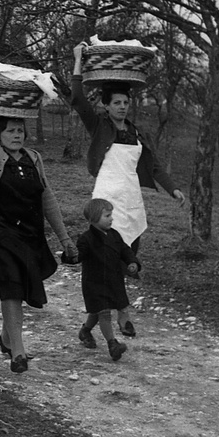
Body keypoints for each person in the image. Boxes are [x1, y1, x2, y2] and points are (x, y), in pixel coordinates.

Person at [0, 69, 76, 373]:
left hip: (30, 234)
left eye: (20, 129)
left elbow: (47, 199)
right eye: (10, 129)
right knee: (10, 283)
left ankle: (8, 338)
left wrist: (65, 239)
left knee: (20, 287)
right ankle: (18, 353)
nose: (16, 134)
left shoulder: (34, 158)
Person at [70, 42, 185, 337]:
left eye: (125, 102)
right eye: (116, 102)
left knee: (125, 258)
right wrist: (78, 62)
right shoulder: (99, 127)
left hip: (131, 200)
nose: (122, 106)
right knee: (107, 259)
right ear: (106, 106)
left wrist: (172, 190)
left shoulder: (136, 132)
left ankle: (88, 328)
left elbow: (155, 165)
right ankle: (124, 316)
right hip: (107, 199)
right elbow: (77, 99)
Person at [76, 198, 139, 362]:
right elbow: (78, 256)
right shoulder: (86, 239)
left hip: (113, 280)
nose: (111, 218)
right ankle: (113, 344)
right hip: (94, 283)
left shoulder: (114, 235)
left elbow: (125, 250)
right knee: (103, 312)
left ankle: (85, 331)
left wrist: (132, 262)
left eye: (111, 215)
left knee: (98, 311)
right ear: (94, 218)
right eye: (107, 215)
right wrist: (70, 256)